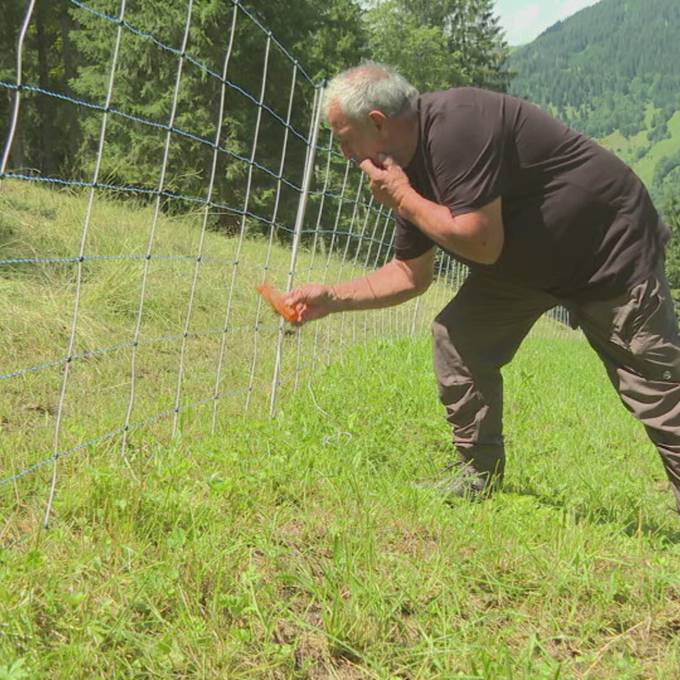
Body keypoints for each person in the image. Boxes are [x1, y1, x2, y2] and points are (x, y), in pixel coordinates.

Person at [284, 61, 680, 513]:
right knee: (460, 337)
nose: (346, 153)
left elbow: (481, 243)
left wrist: (402, 198)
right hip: (526, 267)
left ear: (377, 123)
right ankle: (479, 476)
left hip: (608, 251)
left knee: (656, 388)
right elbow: (410, 274)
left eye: (344, 139)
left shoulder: (457, 126)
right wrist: (331, 298)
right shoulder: (403, 169)